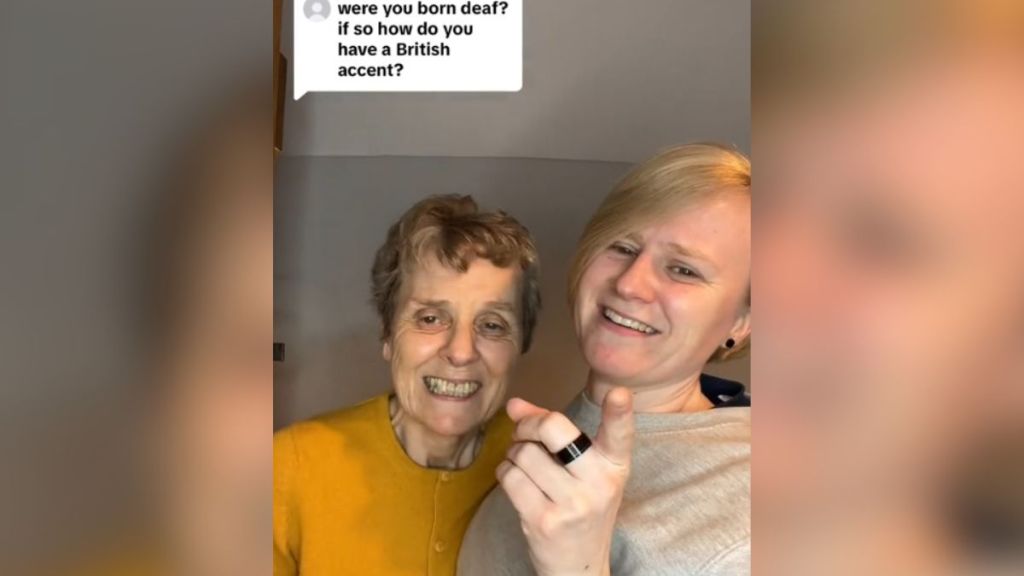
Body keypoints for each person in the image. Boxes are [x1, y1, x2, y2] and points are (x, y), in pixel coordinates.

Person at [459, 143, 752, 575]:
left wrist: (579, 566)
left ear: (741, 323)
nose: (631, 284)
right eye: (623, 246)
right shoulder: (559, 427)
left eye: (683, 269)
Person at [273, 194, 542, 575]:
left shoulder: (546, 476)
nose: (461, 352)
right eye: (431, 318)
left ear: (521, 345)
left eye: (493, 325)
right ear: (387, 334)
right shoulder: (290, 464)